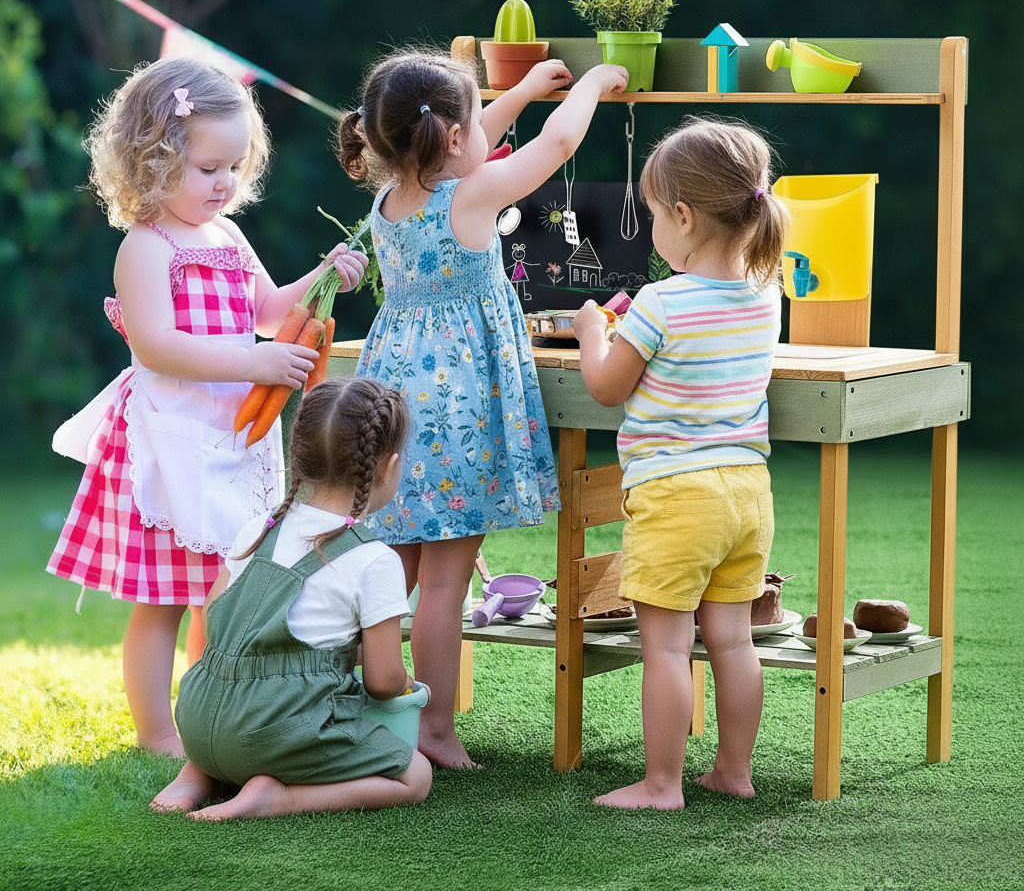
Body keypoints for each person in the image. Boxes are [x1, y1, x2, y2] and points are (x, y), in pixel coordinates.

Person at [47, 56, 368, 757]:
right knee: (160, 601)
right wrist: (253, 361)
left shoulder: (226, 236)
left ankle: (206, 713)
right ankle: (156, 734)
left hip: (231, 439)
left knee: (221, 595)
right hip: (170, 444)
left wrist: (324, 279)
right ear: (154, 162)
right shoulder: (145, 249)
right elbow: (160, 347)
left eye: (233, 167)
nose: (223, 183)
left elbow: (267, 308)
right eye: (206, 169)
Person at [337, 48, 628, 767]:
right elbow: (557, 145)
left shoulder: (392, 194)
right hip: (452, 404)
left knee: (391, 568)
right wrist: (591, 82)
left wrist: (522, 89)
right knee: (445, 580)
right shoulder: (470, 197)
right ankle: (432, 730)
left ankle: (345, 707)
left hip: (393, 390)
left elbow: (463, 140)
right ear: (454, 138)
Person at [574, 117, 791, 809]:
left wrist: (589, 334)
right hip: (747, 495)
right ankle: (734, 771)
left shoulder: (659, 302)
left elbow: (608, 386)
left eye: (652, 216)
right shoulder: (766, 294)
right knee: (732, 643)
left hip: (676, 495)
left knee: (666, 648)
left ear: (684, 217)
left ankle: (661, 784)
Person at [151, 376, 432, 819]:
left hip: (198, 717)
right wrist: (406, 685)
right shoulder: (374, 559)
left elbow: (219, 620)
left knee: (242, 712)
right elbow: (382, 680)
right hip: (273, 734)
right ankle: (280, 797)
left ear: (298, 453)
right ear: (389, 466)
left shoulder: (257, 529)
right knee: (416, 776)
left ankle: (197, 773)